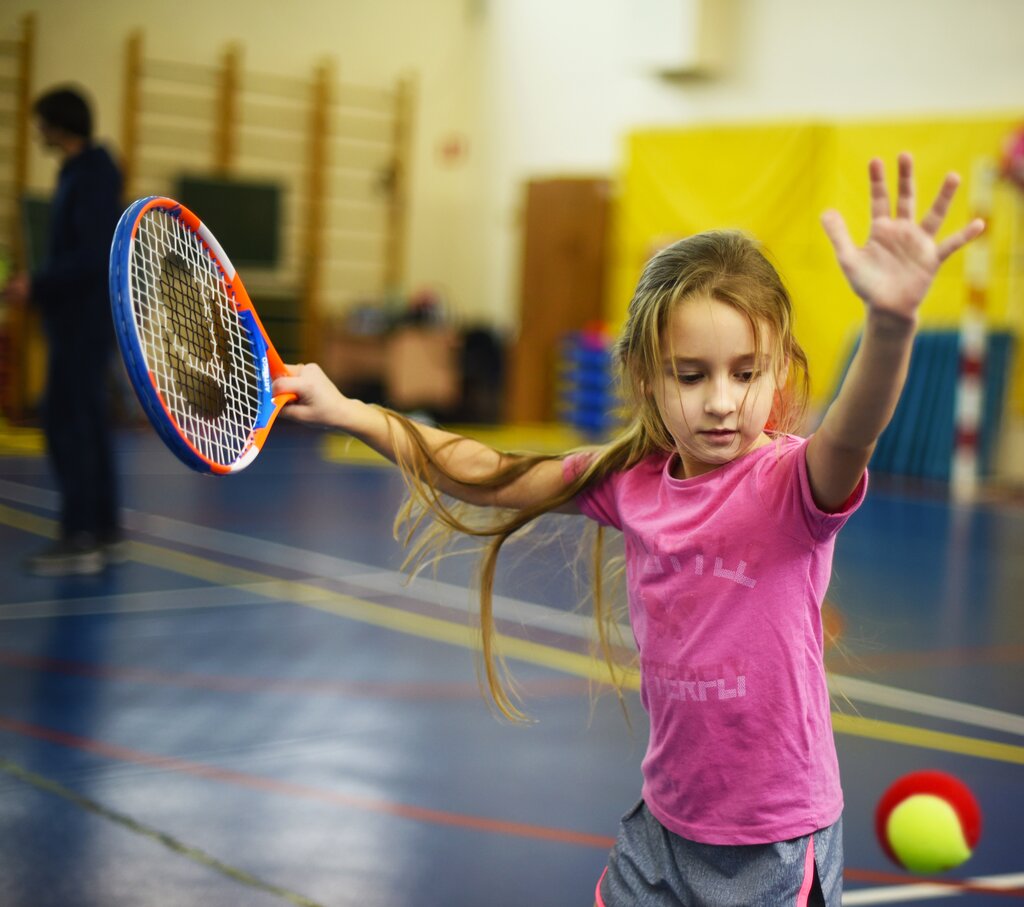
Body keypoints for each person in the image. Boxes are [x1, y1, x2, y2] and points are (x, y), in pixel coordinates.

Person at [272, 154, 983, 906]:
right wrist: (353, 411)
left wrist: (893, 324)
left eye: (746, 372)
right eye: (691, 373)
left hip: (773, 838)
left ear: (779, 373)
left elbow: (856, 428)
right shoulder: (631, 480)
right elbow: (485, 470)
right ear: (646, 376)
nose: (720, 400)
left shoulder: (791, 486)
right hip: (665, 827)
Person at [2, 86, 124, 575]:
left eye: (42, 124)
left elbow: (92, 256)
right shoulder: (82, 173)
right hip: (75, 320)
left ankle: (80, 536)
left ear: (59, 124)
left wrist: (39, 282)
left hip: (83, 323)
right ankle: (104, 530)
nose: (38, 133)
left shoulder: (92, 177)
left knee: (68, 423)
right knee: (87, 422)